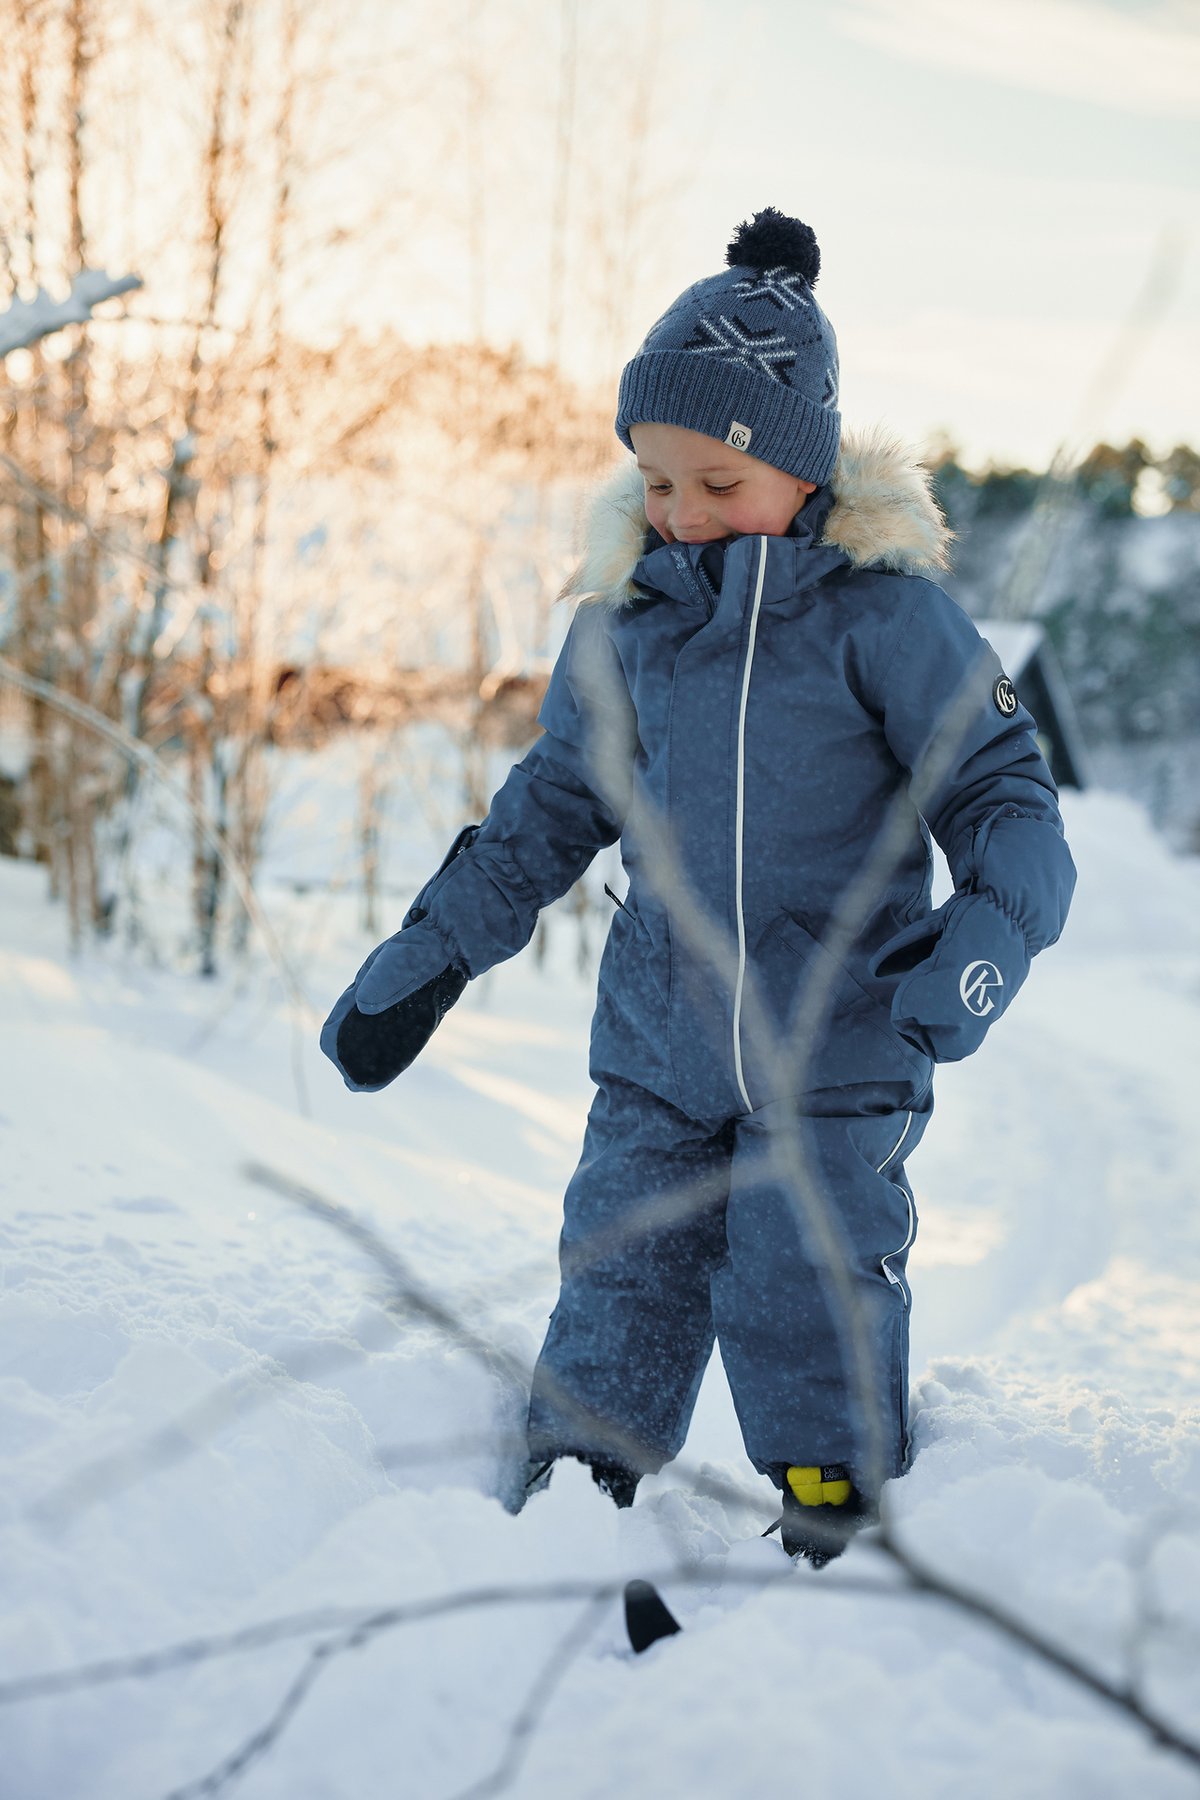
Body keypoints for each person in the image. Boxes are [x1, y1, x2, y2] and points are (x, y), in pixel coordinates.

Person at [321, 208, 1076, 1565]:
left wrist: (987, 934)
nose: (681, 515)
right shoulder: (629, 629)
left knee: (811, 1266)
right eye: (657, 483)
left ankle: (833, 1501)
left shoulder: (886, 619)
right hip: (662, 1039)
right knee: (619, 1262)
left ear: (801, 468)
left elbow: (1003, 794)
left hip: (839, 1036)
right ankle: (570, 1497)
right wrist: (428, 957)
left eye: (718, 484)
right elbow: (548, 810)